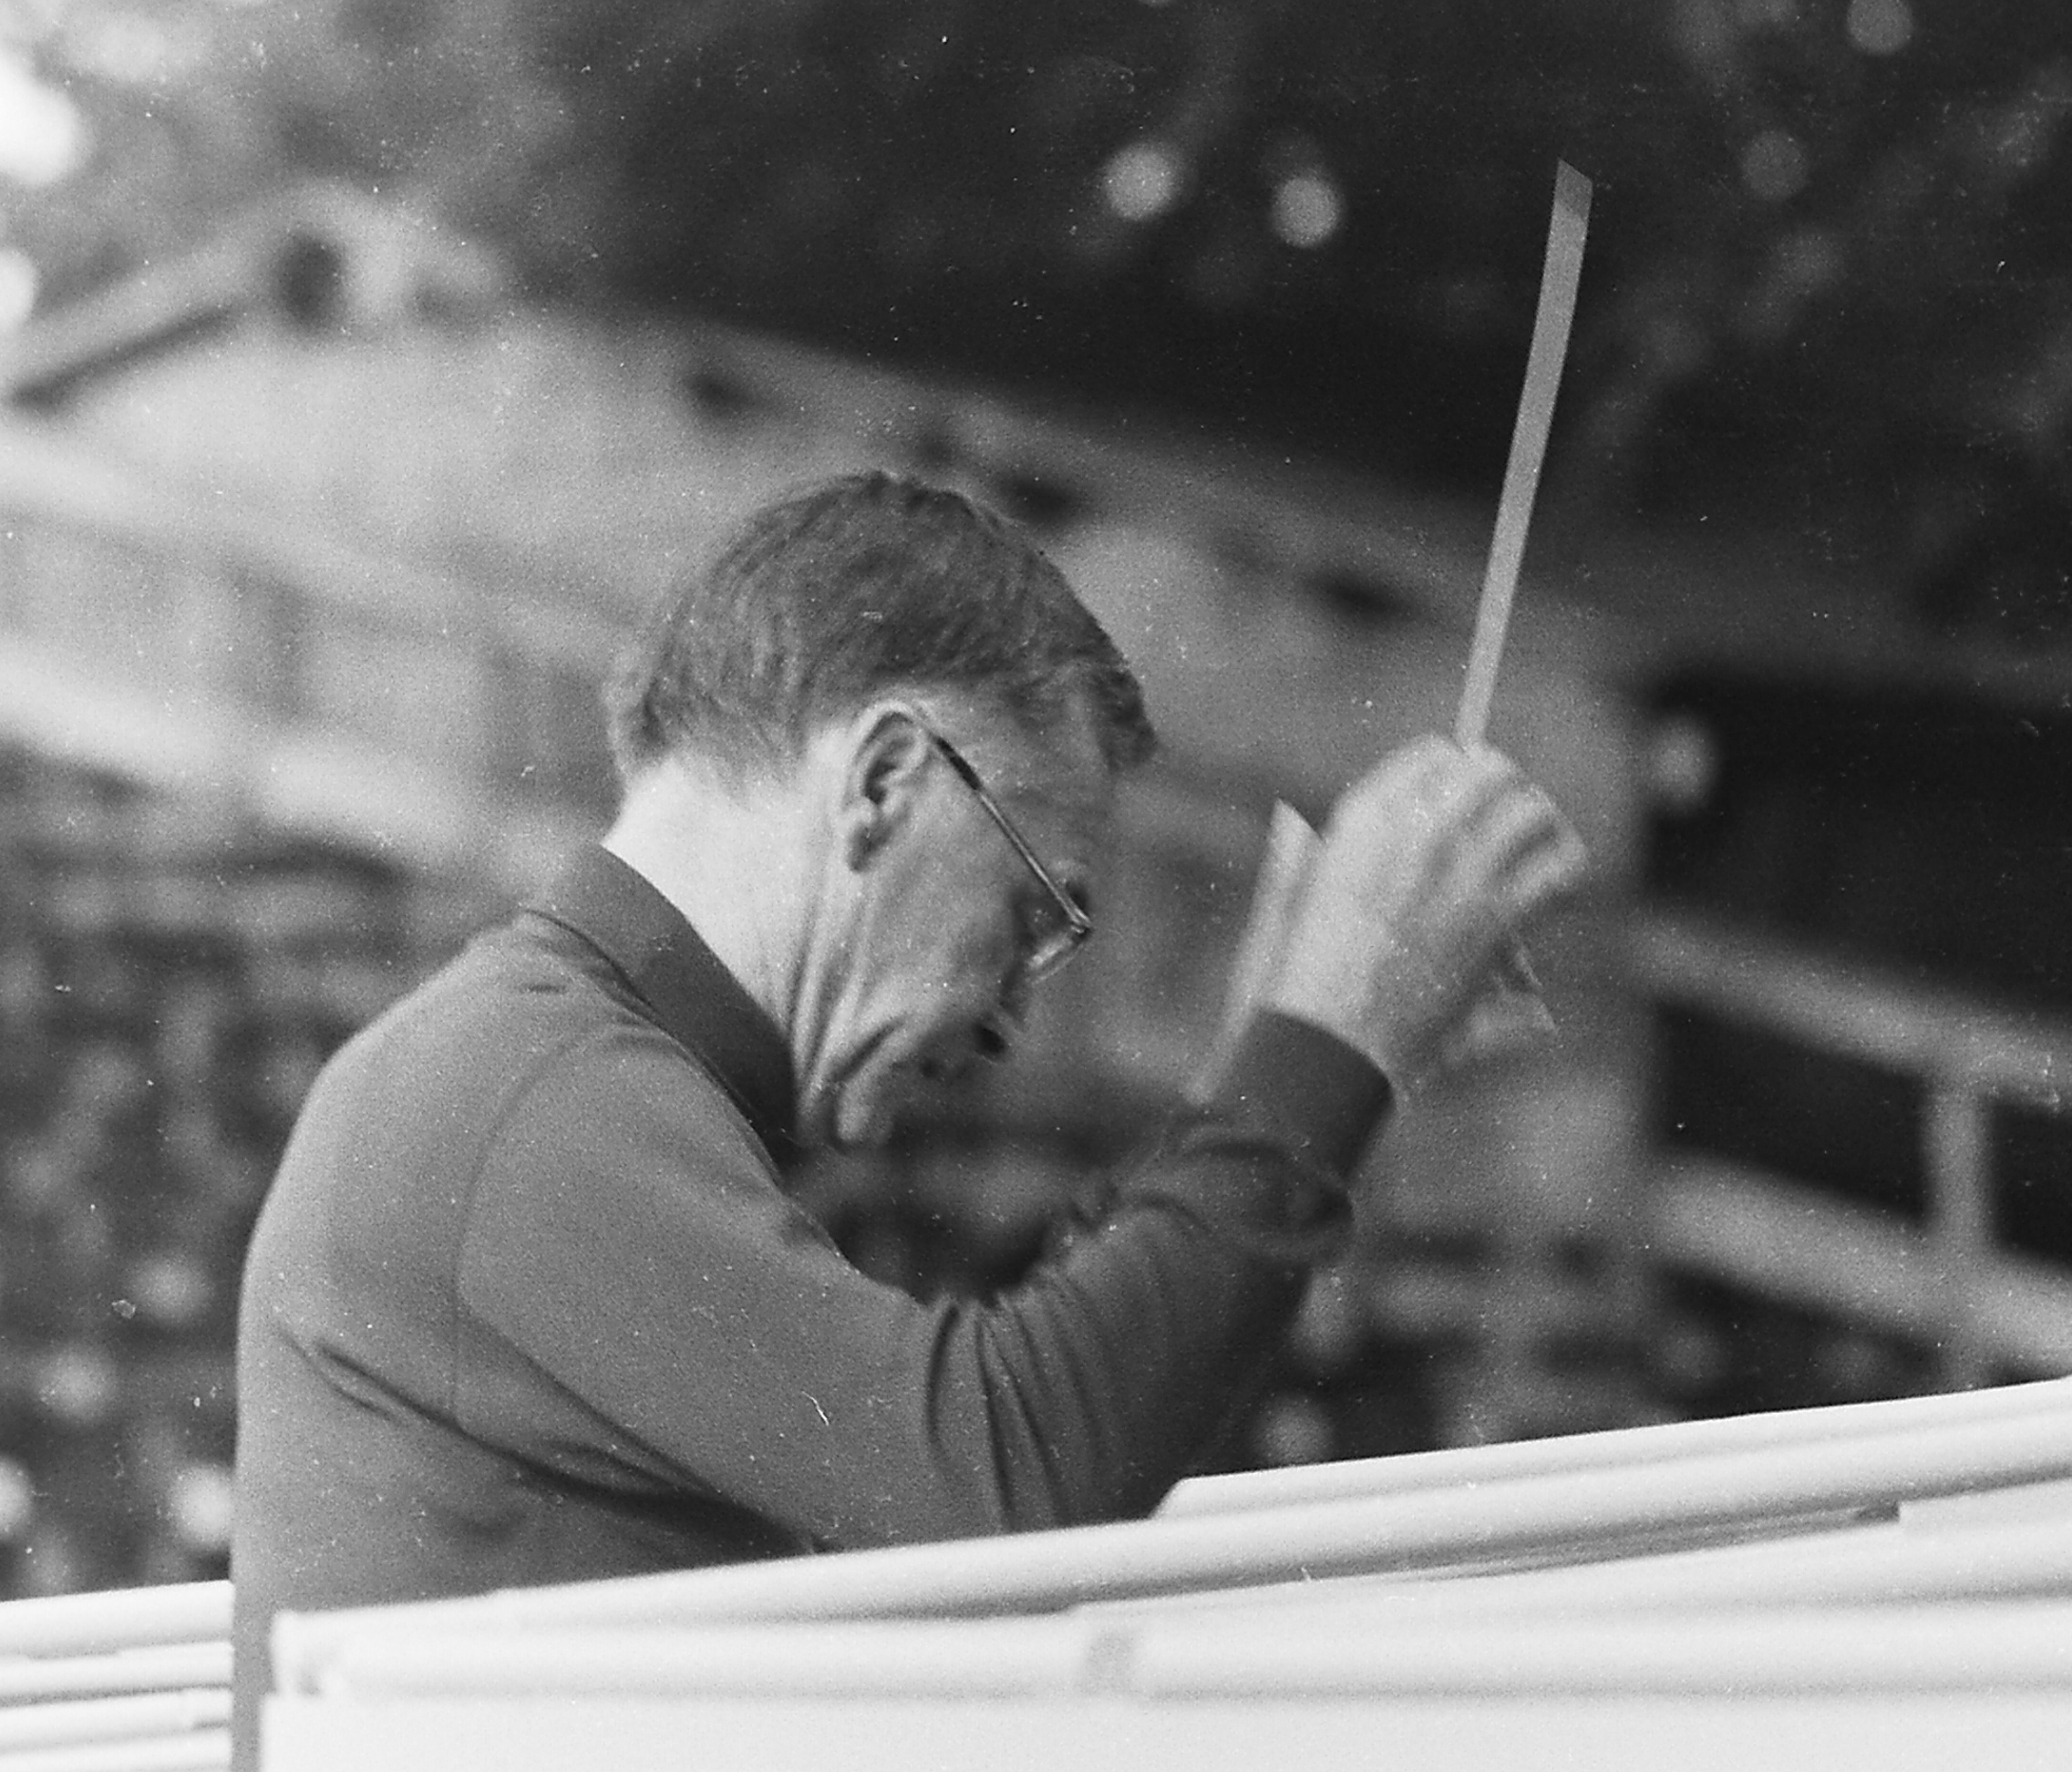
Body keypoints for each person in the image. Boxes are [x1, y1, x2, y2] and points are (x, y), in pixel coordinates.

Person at [228, 469, 1582, 1762]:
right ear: (883, 781)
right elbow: (1004, 1482)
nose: (1013, 1019)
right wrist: (1326, 1044)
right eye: (1033, 912)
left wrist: (1263, 1083)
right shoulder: (521, 1095)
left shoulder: (542, 1068)